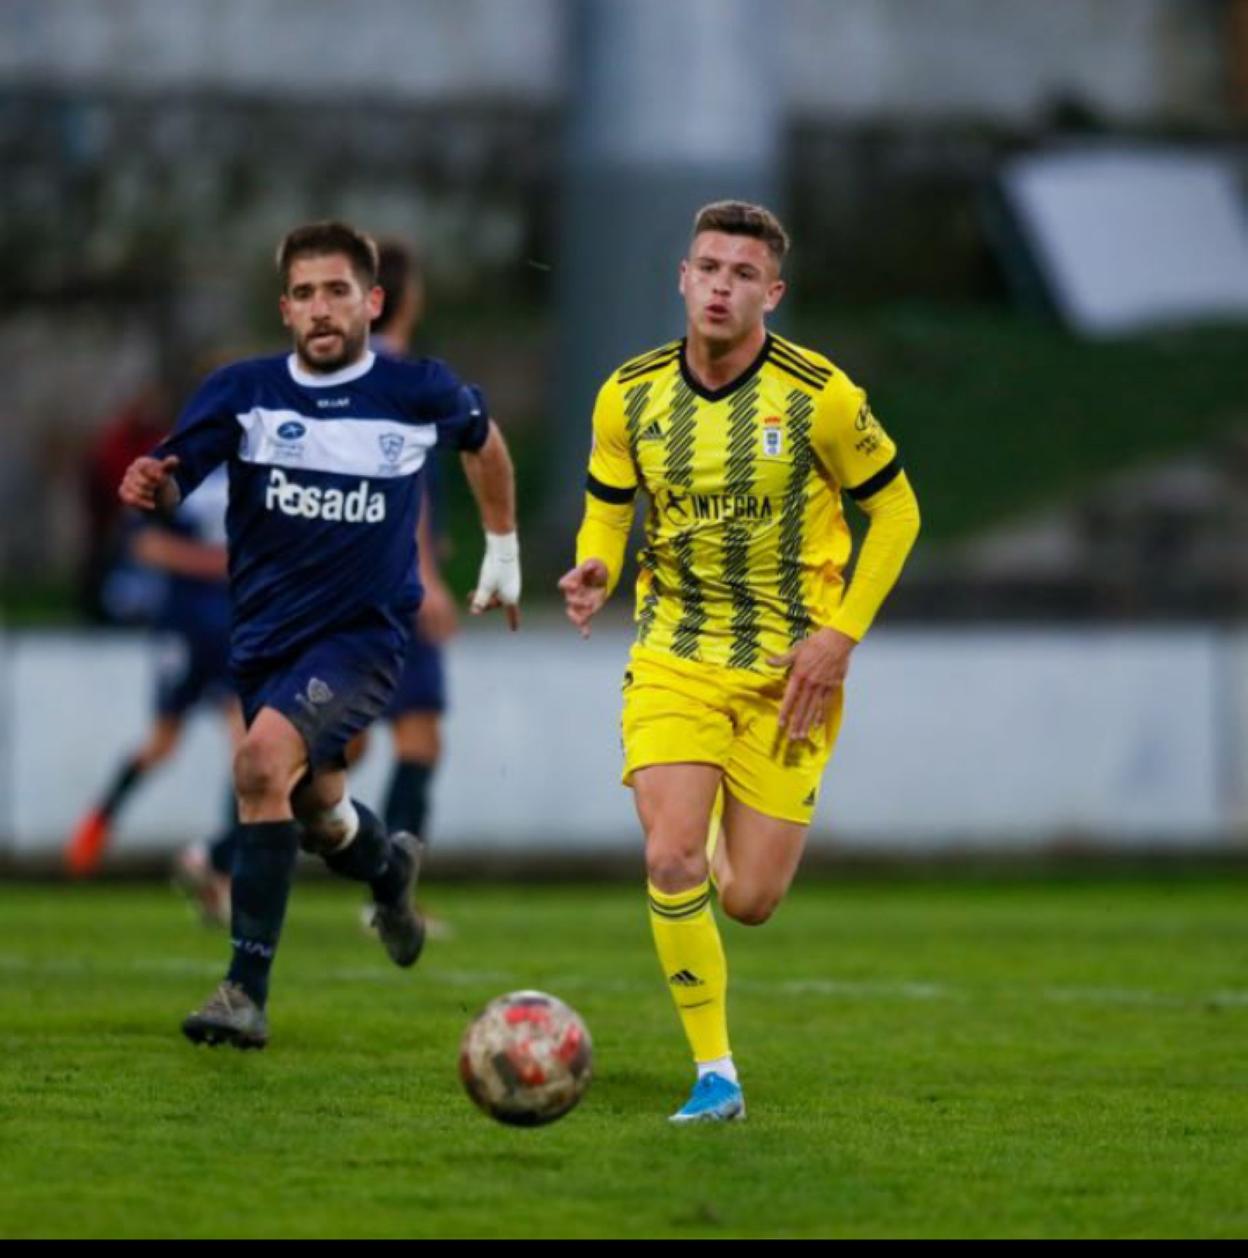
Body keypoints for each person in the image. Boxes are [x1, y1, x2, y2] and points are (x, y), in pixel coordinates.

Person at [559, 201, 920, 1122]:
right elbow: (607, 509)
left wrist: (840, 637)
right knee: (672, 855)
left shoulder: (819, 396)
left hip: (789, 671)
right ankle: (716, 1073)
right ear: (683, 278)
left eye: (743, 274)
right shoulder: (628, 394)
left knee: (751, 898)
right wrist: (597, 566)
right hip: (674, 657)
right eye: (708, 269)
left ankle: (719, 812)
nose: (722, 287)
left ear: (773, 292)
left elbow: (898, 511)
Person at [120, 220, 520, 1050]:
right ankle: (388, 868)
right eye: (303, 293)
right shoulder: (244, 392)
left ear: (372, 301)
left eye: (337, 290)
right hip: (266, 643)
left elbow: (484, 445)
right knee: (316, 808)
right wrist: (153, 484)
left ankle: (243, 992)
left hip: (361, 641)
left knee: (259, 763)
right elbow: (176, 480)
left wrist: (503, 549)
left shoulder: (415, 389)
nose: (320, 307)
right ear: (285, 309)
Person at [65, 461, 241, 928]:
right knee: (162, 743)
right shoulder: (178, 467)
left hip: (236, 627)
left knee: (244, 744)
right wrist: (215, 563)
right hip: (182, 628)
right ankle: (100, 819)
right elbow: (145, 545)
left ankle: (222, 873)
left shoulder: (260, 466)